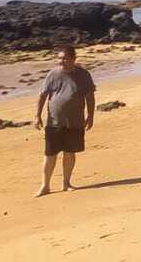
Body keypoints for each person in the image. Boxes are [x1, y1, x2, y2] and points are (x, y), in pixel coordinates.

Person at [34, 45, 96, 196]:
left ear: (74, 59)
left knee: (69, 152)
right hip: (54, 121)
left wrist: (91, 116)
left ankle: (66, 183)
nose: (62, 61)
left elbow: (90, 97)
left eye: (65, 58)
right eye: (60, 58)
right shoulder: (52, 74)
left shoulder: (84, 75)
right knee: (50, 154)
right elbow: (42, 95)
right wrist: (37, 116)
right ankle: (45, 185)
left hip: (75, 121)